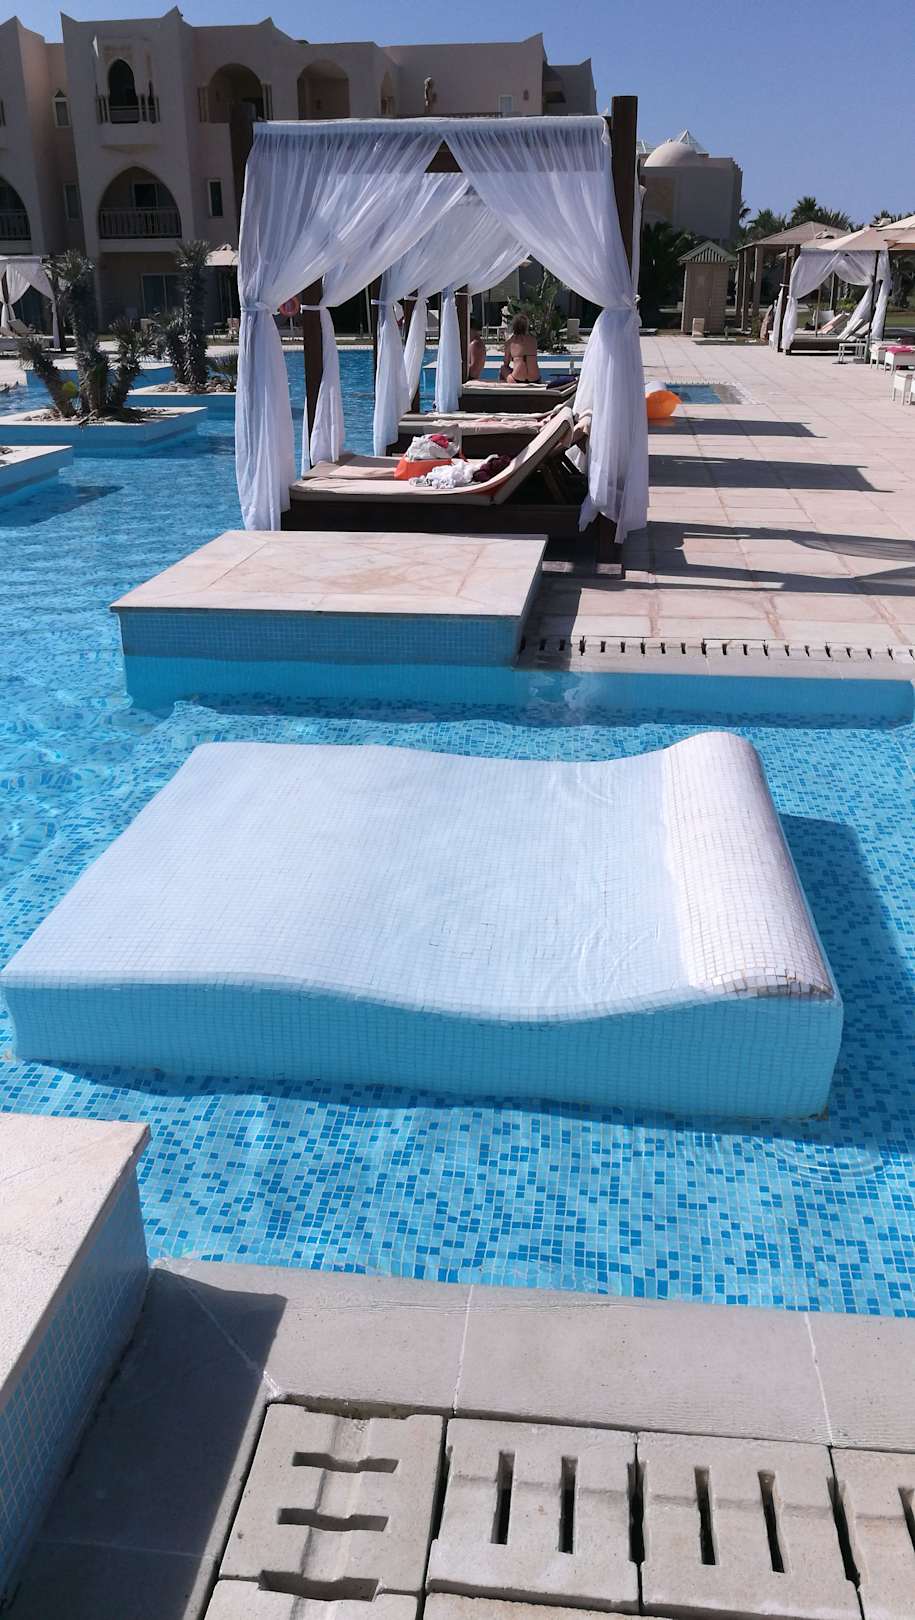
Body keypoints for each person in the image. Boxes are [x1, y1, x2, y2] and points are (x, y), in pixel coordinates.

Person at [499, 313, 541, 383]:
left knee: (503, 368)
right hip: (536, 379)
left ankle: (503, 387)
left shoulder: (511, 342)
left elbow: (506, 363)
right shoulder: (533, 340)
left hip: (517, 379)